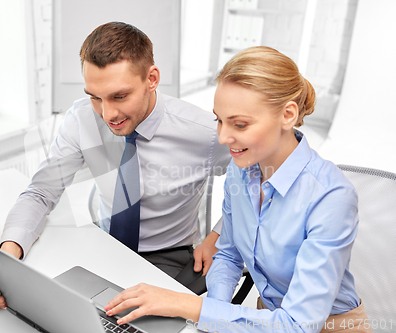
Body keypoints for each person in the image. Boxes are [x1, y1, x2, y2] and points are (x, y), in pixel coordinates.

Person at [104, 46, 371, 333]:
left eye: (240, 124)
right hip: (266, 319)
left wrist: (189, 306)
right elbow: (229, 254)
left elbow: (297, 325)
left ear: (288, 114)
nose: (223, 137)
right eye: (219, 120)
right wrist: (214, 317)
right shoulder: (241, 170)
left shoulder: (331, 198)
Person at [0, 21, 231, 309]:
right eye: (95, 97)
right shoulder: (82, 119)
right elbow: (41, 192)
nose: (108, 114)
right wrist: (7, 256)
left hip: (167, 256)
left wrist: (220, 235)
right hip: (103, 243)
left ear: (152, 79)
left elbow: (258, 176)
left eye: (120, 96)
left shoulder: (203, 132)